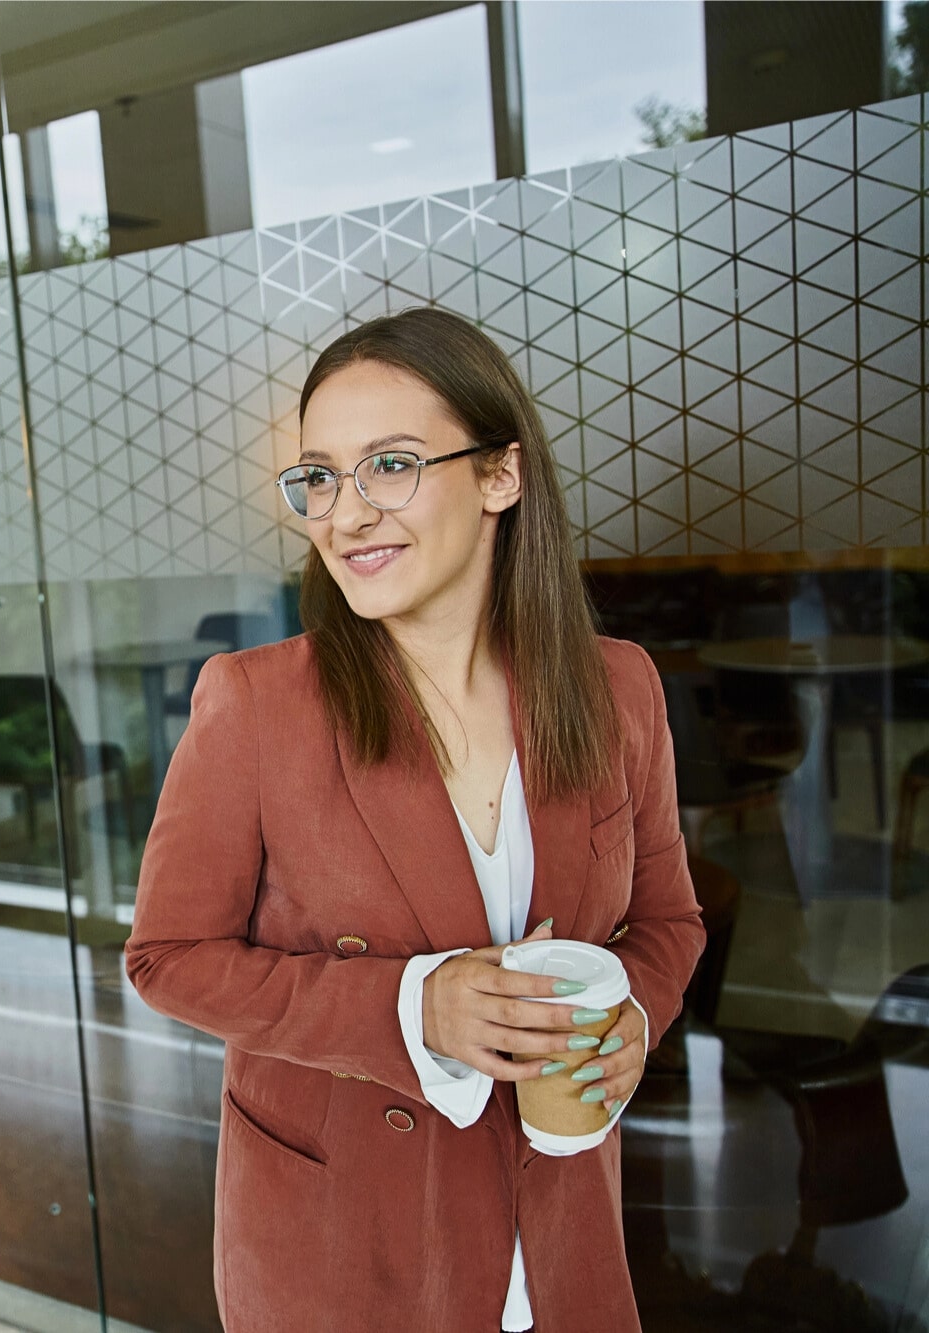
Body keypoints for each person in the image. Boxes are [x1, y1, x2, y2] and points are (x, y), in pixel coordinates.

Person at [125, 307, 706, 1331]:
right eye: (318, 477)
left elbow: (665, 923)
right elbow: (165, 958)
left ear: (499, 476)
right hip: (347, 1247)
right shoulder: (256, 704)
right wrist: (412, 1007)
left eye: (388, 465)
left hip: (563, 1230)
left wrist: (632, 1020)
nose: (343, 514)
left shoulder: (617, 688)